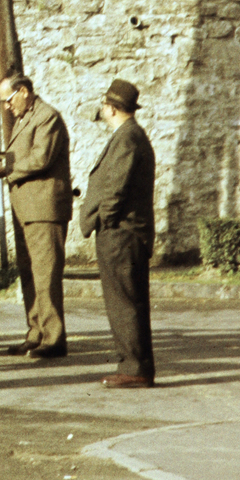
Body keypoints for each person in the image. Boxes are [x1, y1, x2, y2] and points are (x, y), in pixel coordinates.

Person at [80, 78, 156, 389]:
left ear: (111, 108)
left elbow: (116, 186)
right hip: (126, 232)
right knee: (127, 300)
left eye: (104, 105)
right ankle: (136, 365)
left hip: (122, 233)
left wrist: (107, 220)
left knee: (123, 302)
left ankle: (135, 368)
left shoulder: (127, 138)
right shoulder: (131, 135)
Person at [0, 73, 73, 359]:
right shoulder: (26, 117)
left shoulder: (47, 117)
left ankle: (53, 338)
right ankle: (36, 332)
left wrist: (5, 169)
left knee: (46, 274)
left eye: (8, 99)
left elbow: (41, 158)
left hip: (44, 210)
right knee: (30, 273)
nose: (6, 106)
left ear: (23, 91)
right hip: (28, 209)